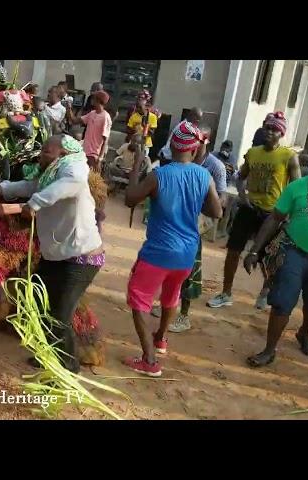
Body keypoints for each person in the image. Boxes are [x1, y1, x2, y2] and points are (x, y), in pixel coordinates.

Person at [0, 134, 104, 373]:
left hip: (81, 259)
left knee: (59, 315)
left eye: (47, 152)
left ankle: (68, 368)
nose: (41, 155)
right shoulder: (52, 173)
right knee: (37, 303)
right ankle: (48, 355)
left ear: (62, 154)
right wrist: (4, 188)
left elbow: (60, 188)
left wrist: (27, 205)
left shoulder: (75, 171)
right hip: (56, 257)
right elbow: (32, 186)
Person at [123, 121, 222, 376]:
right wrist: (193, 199)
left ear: (172, 146)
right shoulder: (204, 175)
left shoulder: (160, 175)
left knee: (138, 298)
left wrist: (136, 164)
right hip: (187, 253)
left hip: (159, 251)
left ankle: (150, 360)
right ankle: (161, 339)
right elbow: (216, 211)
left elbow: (130, 198)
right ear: (194, 149)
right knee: (171, 295)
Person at [207, 112, 301, 310]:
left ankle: (264, 294)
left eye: (274, 129)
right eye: (267, 127)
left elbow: (297, 189)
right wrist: (243, 196)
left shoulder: (289, 157)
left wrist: (289, 215)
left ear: (281, 133)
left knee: (270, 258)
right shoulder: (253, 153)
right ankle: (226, 293)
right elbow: (240, 177)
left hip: (273, 215)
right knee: (233, 250)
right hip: (250, 209)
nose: (269, 132)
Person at [243, 175, 308, 367]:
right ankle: (269, 350)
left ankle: (304, 333)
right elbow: (275, 218)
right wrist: (254, 251)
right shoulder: (297, 188)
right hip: (293, 252)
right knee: (283, 302)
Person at [168, 126, 227, 333]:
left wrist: (201, 207)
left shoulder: (215, 167)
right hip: (175, 222)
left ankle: (184, 315)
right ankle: (168, 305)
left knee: (189, 272)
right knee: (170, 269)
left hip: (195, 225)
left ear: (204, 143)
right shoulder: (183, 158)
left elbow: (222, 198)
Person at [65, 90, 112, 172]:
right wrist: (68, 108)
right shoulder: (92, 113)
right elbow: (74, 120)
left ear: (98, 100)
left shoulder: (105, 117)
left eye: (93, 98)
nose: (91, 100)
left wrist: (100, 159)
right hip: (84, 152)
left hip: (94, 155)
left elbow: (105, 141)